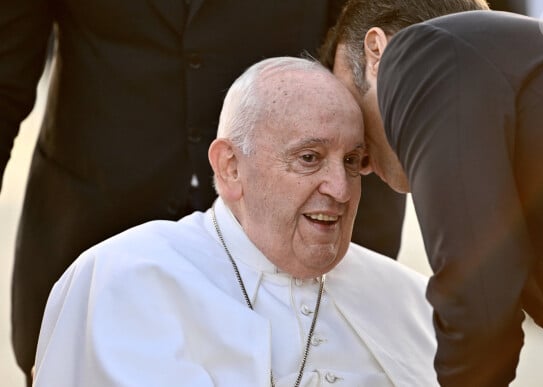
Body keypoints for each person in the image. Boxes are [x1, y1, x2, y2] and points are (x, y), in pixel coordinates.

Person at [0, 2, 409, 384]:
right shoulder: (95, 287)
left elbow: (371, 69)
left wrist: (349, 262)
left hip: (294, 239)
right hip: (91, 220)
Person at [323, 2, 543, 386]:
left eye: (348, 109)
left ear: (377, 52)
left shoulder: (423, 52)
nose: (356, 159)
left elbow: (480, 306)